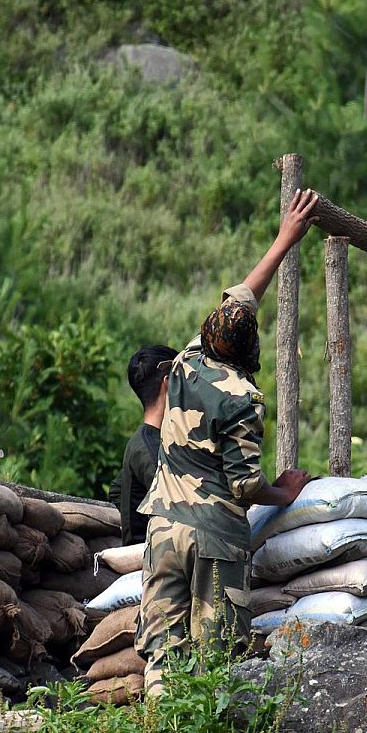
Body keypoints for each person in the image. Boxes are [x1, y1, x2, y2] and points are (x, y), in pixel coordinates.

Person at [135, 188, 321, 700]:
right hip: (215, 536)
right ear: (249, 347)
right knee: (216, 654)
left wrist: (284, 238)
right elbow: (243, 485)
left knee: (162, 645)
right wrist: (284, 491)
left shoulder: (186, 359)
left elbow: (241, 297)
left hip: (164, 527)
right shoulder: (245, 397)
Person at [108, 345, 178, 546]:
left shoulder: (149, 441)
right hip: (158, 561)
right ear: (168, 384)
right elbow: (181, 504)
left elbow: (116, 490)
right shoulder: (149, 447)